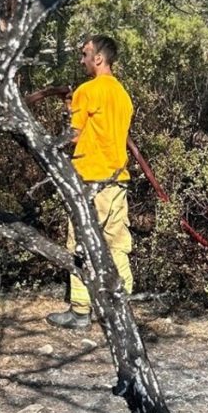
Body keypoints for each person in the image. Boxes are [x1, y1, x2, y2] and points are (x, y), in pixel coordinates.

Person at [46, 35, 135, 330]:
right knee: (116, 245)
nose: (82, 60)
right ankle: (124, 307)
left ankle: (81, 310)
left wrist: (46, 144)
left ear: (98, 58)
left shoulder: (88, 90)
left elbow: (74, 134)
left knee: (81, 245)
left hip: (90, 181)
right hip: (118, 181)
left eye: (85, 54)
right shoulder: (122, 94)